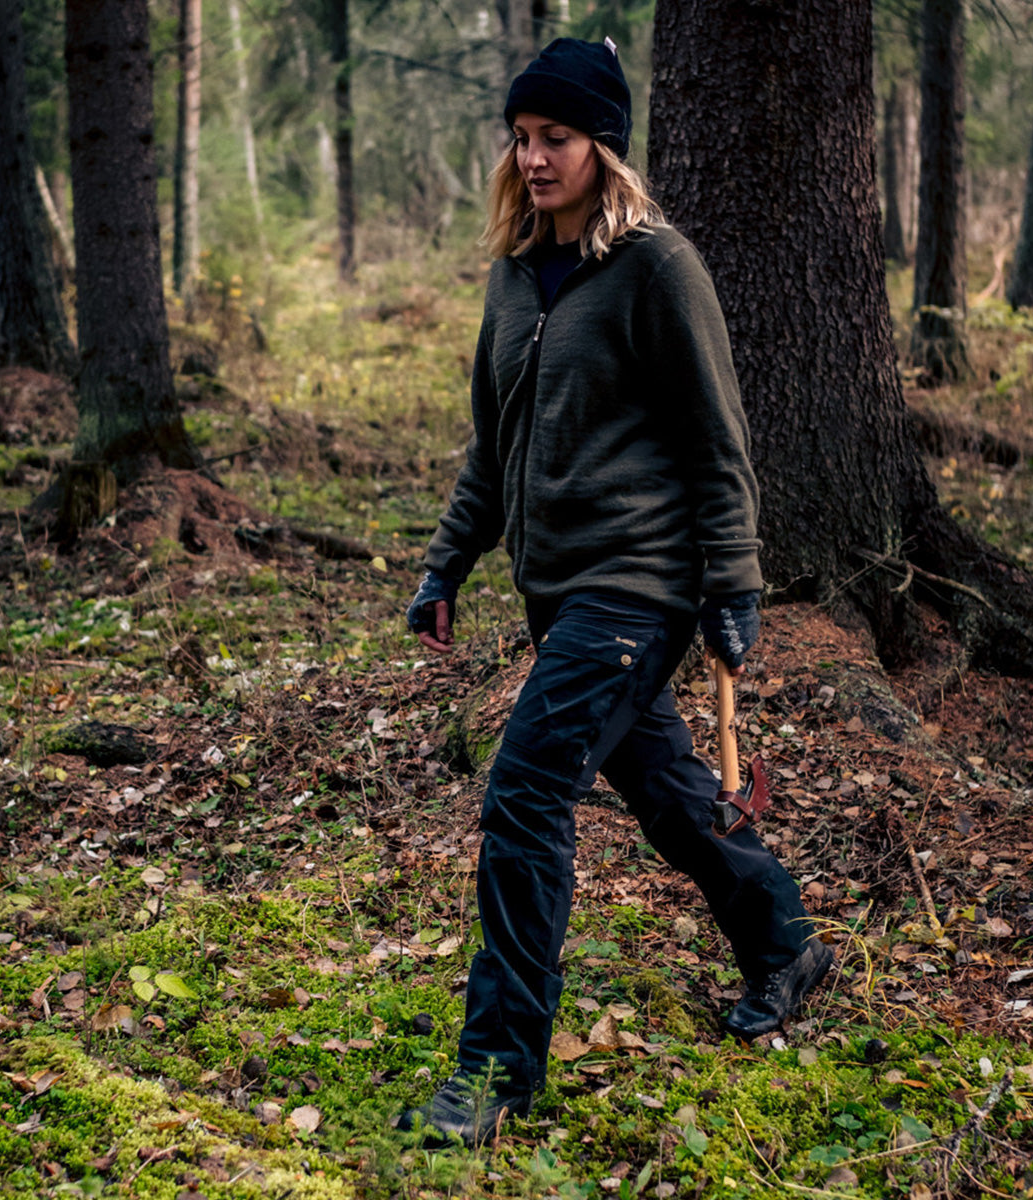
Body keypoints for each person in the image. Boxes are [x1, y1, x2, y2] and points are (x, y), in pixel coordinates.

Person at [396, 38, 832, 1146]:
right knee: (667, 794)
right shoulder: (511, 274)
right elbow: (491, 453)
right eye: (524, 137)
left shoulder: (655, 267)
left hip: (639, 589)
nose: (535, 158)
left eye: (558, 139)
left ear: (604, 147)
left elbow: (716, 443)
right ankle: (785, 945)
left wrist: (735, 586)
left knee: (526, 794)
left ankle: (496, 1068)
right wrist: (447, 563)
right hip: (558, 593)